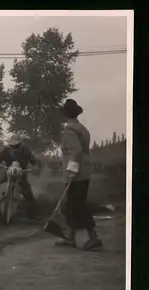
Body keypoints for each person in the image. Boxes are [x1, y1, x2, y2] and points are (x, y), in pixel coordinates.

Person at [56, 99, 102, 250]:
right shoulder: (81, 128)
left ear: (65, 115)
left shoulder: (70, 130)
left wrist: (71, 171)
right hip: (84, 171)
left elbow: (75, 152)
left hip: (76, 173)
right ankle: (70, 236)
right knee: (73, 205)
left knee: (75, 205)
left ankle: (93, 237)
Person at [0, 134, 39, 218]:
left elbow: (34, 161)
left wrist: (35, 167)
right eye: (12, 145)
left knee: (30, 197)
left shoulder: (25, 151)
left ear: (19, 144)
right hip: (8, 174)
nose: (13, 147)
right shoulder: (6, 151)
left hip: (21, 175)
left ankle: (32, 215)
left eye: (15, 145)